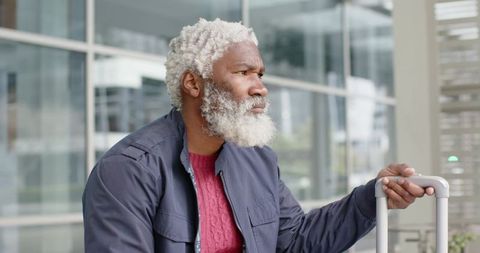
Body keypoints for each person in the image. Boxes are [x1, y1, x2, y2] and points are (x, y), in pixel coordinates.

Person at [82, 18, 434, 253]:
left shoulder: (257, 160)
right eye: (244, 72)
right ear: (193, 83)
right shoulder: (129, 170)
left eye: (260, 74)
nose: (260, 88)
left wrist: (372, 197)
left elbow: (296, 241)